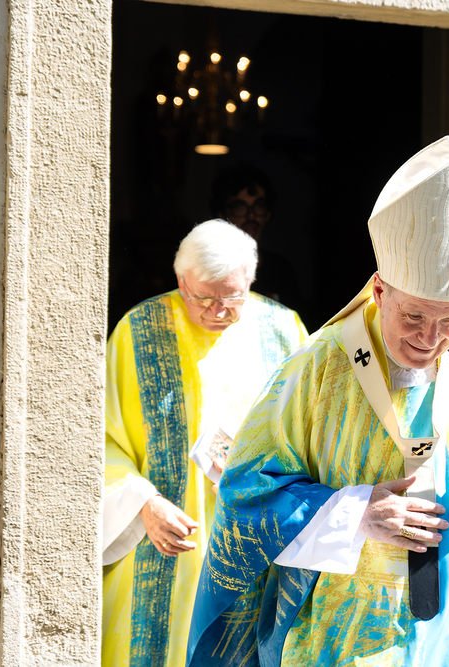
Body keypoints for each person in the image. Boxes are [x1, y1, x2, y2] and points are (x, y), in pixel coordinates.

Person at [186, 137, 449, 667]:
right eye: (413, 317)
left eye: (447, 319)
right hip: (345, 637)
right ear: (380, 292)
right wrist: (355, 512)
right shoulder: (317, 368)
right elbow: (246, 496)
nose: (429, 338)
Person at [101, 220, 308, 667]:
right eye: (203, 298)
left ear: (250, 280)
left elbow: (311, 436)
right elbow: (100, 439)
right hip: (156, 541)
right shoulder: (138, 331)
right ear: (181, 282)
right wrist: (143, 503)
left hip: (250, 542)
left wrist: (267, 479)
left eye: (232, 297)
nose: (217, 311)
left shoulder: (283, 331)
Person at [210, 164, 303, 314]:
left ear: (268, 214)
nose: (251, 216)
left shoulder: (281, 271)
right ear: (222, 214)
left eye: (259, 206)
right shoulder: (204, 269)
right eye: (240, 207)